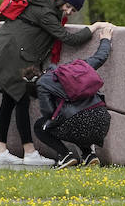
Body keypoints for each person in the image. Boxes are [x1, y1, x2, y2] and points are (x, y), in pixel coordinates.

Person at [0, 0, 104, 166]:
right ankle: (29, 152)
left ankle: (0, 150)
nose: (69, 11)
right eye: (69, 6)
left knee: (9, 101)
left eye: (73, 10)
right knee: (21, 100)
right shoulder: (46, 13)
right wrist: (96, 26)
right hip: (12, 56)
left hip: (8, 52)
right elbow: (69, 39)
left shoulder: (45, 4)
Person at [33, 23, 116, 169]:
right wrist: (105, 39)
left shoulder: (43, 83)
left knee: (41, 126)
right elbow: (100, 57)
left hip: (78, 124)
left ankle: (65, 156)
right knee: (77, 119)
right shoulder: (78, 66)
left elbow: (48, 113)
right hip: (102, 121)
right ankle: (89, 155)